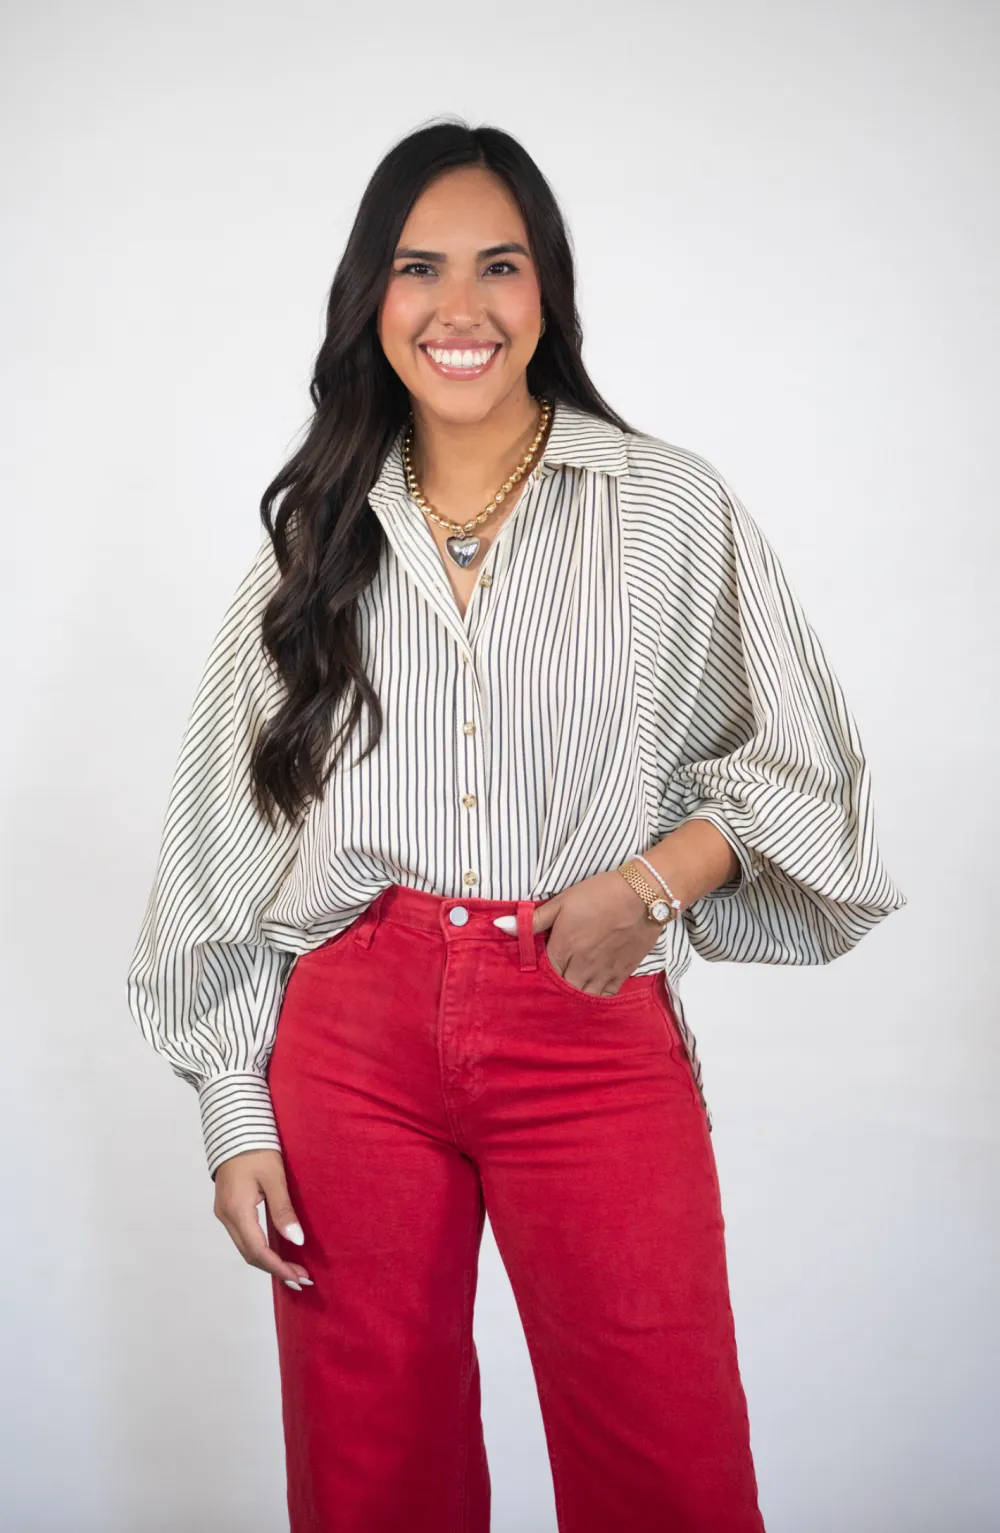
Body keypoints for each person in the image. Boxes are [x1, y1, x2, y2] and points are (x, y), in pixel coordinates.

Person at [126, 118, 907, 1533]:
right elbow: (215, 842)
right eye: (420, 269)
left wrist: (656, 883)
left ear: (548, 292)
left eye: (503, 264)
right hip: (351, 1040)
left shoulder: (668, 508)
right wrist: (235, 1112)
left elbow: (811, 770)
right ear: (374, 299)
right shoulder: (318, 542)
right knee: (372, 1475)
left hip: (587, 1012)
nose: (462, 307)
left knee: (667, 1462)